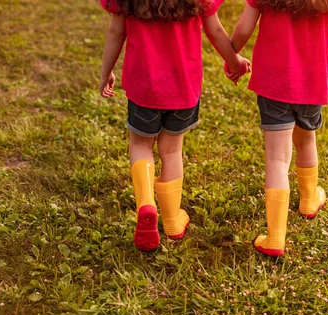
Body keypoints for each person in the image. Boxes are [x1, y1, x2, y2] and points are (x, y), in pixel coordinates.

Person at [226, 0, 328, 257]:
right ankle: (309, 200)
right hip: (312, 85)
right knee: (306, 141)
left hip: (273, 84)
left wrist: (231, 57)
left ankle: (276, 238)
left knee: (277, 159)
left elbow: (245, 28)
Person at [99, 0, 250, 251]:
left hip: (143, 88)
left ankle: (146, 203)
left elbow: (117, 31)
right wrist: (234, 61)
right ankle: (171, 221)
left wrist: (107, 71)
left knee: (140, 144)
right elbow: (215, 31)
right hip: (183, 88)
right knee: (171, 150)